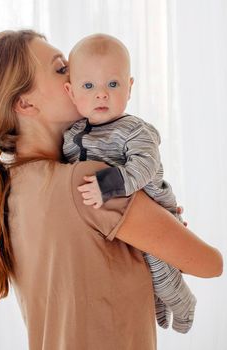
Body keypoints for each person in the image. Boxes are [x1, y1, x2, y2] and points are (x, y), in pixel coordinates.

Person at [0, 29, 223, 350]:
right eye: (62, 69)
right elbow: (210, 264)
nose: (79, 76)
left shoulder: (11, 188)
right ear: (25, 103)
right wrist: (161, 222)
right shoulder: (89, 184)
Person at [63, 34, 196, 334]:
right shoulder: (71, 134)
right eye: (89, 86)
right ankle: (160, 308)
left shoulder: (134, 130)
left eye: (113, 84)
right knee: (136, 272)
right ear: (71, 92)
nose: (101, 95)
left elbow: (145, 166)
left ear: (129, 87)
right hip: (111, 220)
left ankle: (183, 302)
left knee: (159, 265)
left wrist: (106, 185)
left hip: (150, 207)